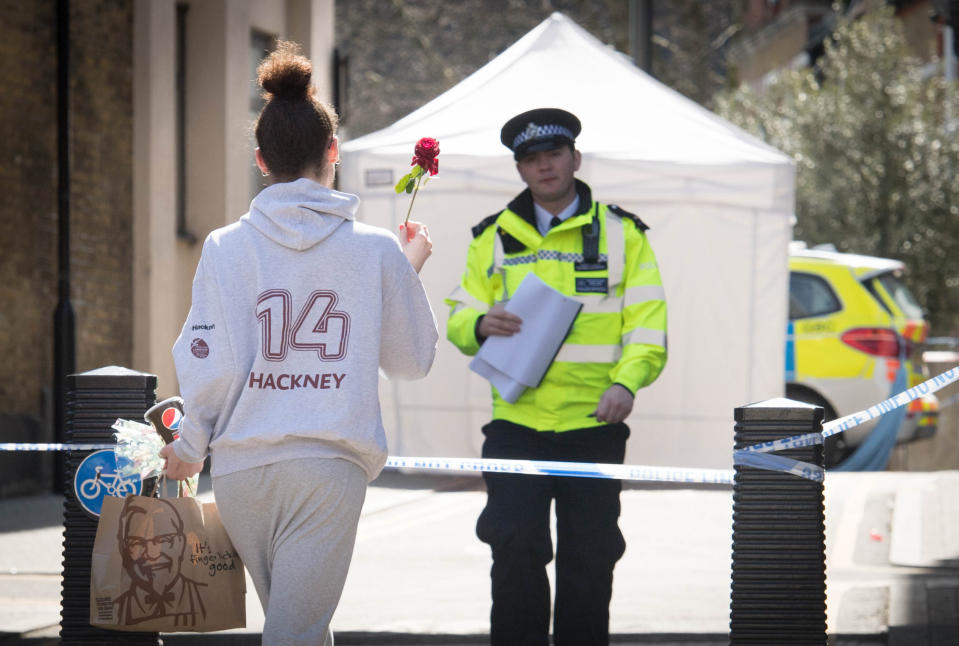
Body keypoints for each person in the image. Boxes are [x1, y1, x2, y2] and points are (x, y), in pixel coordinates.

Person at [159, 41, 438, 645]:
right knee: (298, 631)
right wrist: (404, 274)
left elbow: (210, 358)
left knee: (300, 628)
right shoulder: (375, 250)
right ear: (332, 152)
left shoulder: (224, 247)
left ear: (261, 160)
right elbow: (411, 362)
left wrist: (191, 443)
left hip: (241, 473)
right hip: (327, 465)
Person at [446, 108, 667, 645]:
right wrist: (478, 323)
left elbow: (648, 324)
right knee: (515, 552)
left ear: (575, 159)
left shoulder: (623, 235)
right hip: (516, 426)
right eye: (531, 159)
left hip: (594, 423)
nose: (544, 167)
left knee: (589, 563)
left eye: (554, 155)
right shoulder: (491, 237)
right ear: (520, 170)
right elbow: (457, 315)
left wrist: (627, 382)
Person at [114, 497, 207, 628]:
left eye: (163, 539)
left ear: (181, 543)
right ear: (123, 549)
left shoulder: (210, 599)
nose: (152, 555)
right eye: (137, 543)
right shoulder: (114, 609)